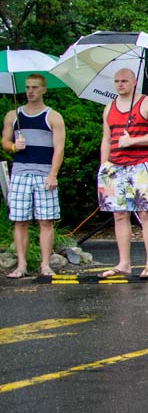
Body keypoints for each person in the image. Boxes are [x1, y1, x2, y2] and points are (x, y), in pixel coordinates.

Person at [96, 68, 148, 279]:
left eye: (124, 81)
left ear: (134, 82)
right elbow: (106, 139)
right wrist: (104, 166)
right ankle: (124, 263)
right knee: (119, 214)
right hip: (114, 166)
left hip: (141, 163)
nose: (120, 84)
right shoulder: (109, 107)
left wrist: (133, 140)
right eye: (117, 81)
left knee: (145, 212)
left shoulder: (147, 103)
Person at [2, 74, 65, 278]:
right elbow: (4, 142)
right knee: (20, 221)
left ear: (44, 89)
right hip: (20, 173)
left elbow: (59, 148)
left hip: (44, 173)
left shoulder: (53, 116)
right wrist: (13, 146)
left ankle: (45, 265)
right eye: (28, 87)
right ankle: (21, 265)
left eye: (35, 87)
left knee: (46, 221)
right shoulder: (13, 115)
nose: (30, 91)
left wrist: (53, 174)